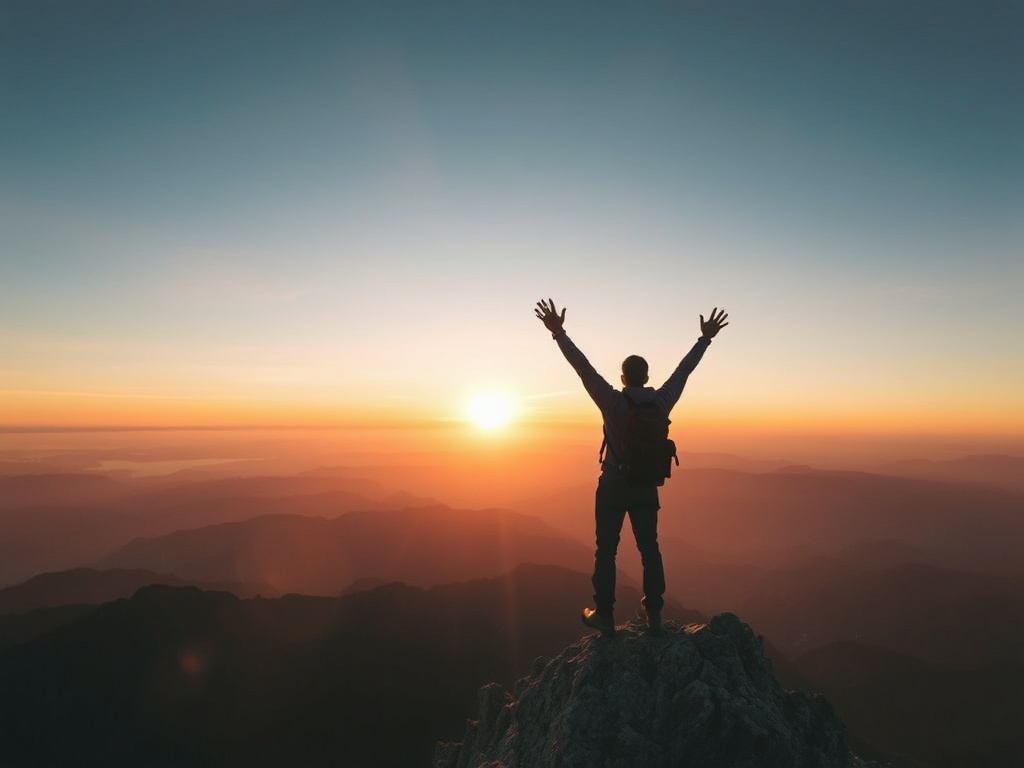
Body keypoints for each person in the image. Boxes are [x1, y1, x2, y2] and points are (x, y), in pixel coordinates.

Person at [534, 298, 729, 636]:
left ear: (623, 378)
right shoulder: (662, 401)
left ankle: (604, 615)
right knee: (649, 548)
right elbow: (683, 371)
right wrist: (705, 339)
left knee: (606, 550)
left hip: (612, 484)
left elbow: (583, 368)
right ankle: (653, 613)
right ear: (647, 377)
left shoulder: (612, 401)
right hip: (645, 486)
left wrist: (559, 333)